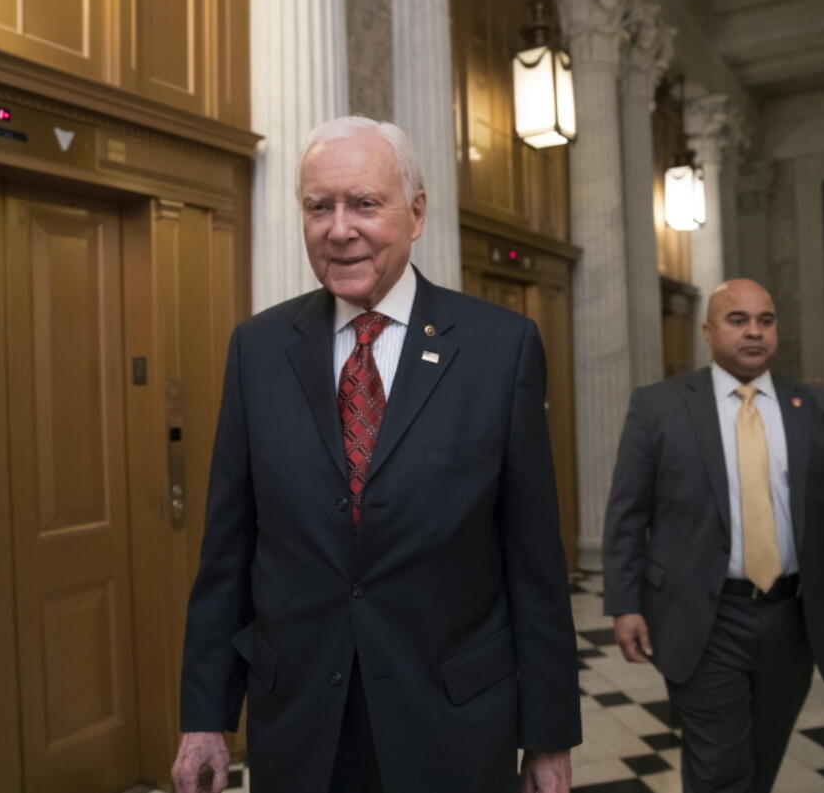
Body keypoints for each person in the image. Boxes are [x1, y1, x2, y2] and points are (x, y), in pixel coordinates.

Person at [171, 116, 581, 793]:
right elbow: (227, 551)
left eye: (364, 203)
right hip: (301, 720)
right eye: (318, 206)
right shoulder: (258, 349)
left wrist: (548, 735)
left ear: (415, 213)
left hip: (451, 718)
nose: (339, 228)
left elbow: (534, 560)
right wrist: (205, 715)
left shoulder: (498, 349)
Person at [602, 279, 824, 793]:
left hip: (793, 618)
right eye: (737, 320)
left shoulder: (821, 410)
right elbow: (627, 515)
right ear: (708, 331)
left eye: (765, 321)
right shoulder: (658, 408)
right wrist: (624, 603)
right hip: (704, 616)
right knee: (720, 768)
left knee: (760, 762)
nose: (754, 332)